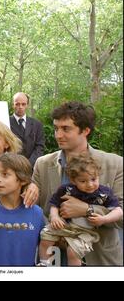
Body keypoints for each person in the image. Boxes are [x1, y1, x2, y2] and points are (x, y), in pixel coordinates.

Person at [33, 101, 123, 266]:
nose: (58, 135)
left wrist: (87, 210)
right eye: (56, 128)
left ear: (86, 131)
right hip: (54, 258)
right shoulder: (42, 164)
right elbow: (34, 211)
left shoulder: (116, 164)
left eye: (66, 129)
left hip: (99, 260)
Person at [38, 153, 123, 266]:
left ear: (98, 175)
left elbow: (118, 211)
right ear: (73, 180)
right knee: (45, 238)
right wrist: (55, 216)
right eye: (83, 181)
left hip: (86, 231)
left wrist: (104, 219)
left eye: (93, 179)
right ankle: (44, 264)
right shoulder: (67, 189)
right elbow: (54, 204)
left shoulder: (104, 193)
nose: (90, 185)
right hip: (65, 225)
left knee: (73, 252)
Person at [9, 92, 45, 167]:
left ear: (27, 105)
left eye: (23, 104)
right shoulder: (6, 123)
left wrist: (29, 164)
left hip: (32, 167)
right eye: (17, 104)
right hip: (12, 166)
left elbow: (39, 147)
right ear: (13, 105)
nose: (20, 107)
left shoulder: (37, 124)